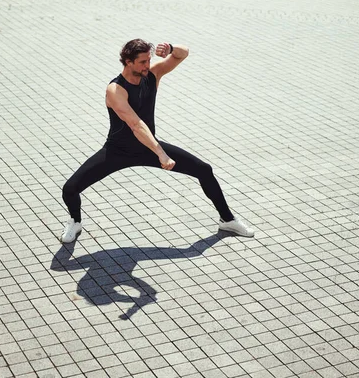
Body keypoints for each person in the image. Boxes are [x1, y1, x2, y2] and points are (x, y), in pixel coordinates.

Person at [60, 39, 254, 243]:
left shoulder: (152, 75)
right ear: (128, 61)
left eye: (148, 60)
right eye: (142, 61)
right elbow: (136, 125)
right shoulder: (115, 90)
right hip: (118, 151)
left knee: (204, 170)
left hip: (148, 148)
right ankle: (75, 221)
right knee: (70, 189)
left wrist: (170, 49)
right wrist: (160, 153)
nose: (147, 65)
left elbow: (183, 53)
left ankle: (227, 219)